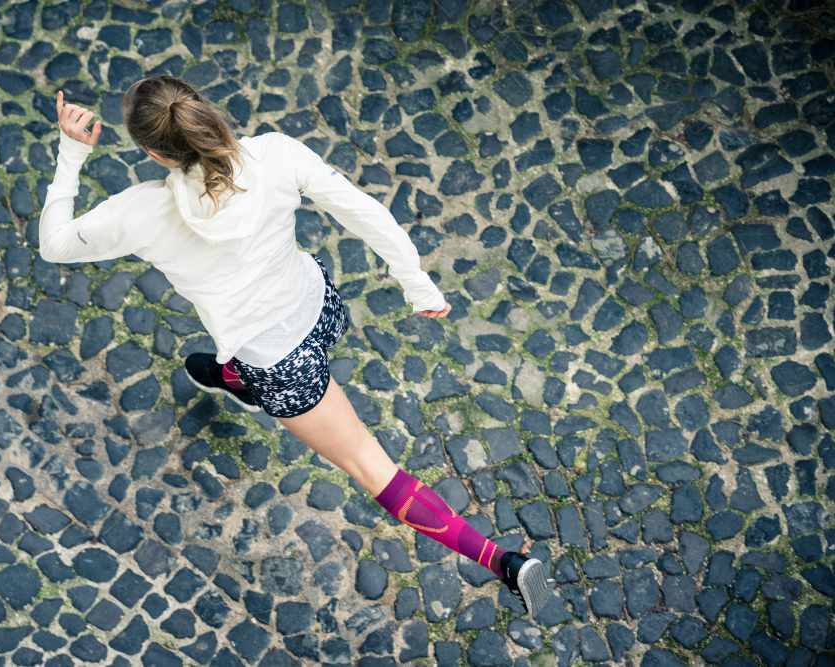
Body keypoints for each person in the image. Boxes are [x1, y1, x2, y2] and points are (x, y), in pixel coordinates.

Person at [38, 76, 552, 618]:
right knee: (230, 362)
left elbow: (54, 245)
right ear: (203, 112)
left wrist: (71, 151)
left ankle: (502, 563)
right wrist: (416, 283)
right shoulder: (274, 154)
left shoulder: (137, 212)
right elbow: (363, 211)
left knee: (369, 465)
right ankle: (233, 378)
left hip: (281, 366)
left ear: (150, 151)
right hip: (320, 305)